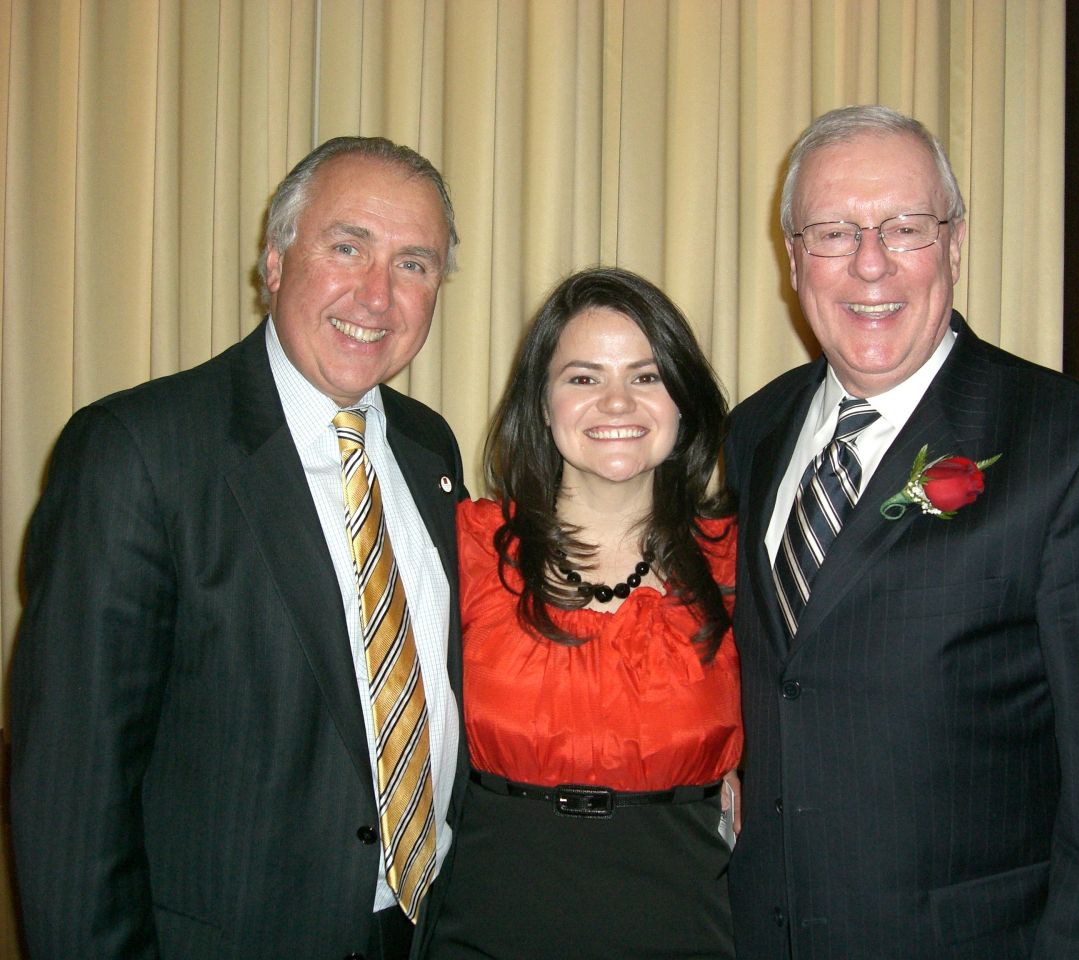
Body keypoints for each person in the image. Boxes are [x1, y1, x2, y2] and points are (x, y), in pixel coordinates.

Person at [724, 105, 1079, 959]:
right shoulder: (754, 431)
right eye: (833, 232)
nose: (870, 264)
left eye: (904, 227)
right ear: (793, 256)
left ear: (954, 243)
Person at [10, 136, 468, 959]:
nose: (377, 294)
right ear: (275, 261)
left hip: (417, 933)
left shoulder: (431, 452)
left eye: (415, 263)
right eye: (347, 246)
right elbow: (71, 793)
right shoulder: (139, 452)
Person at [429, 267, 741, 960]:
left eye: (647, 376)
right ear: (541, 403)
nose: (616, 402)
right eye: (582, 377)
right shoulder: (464, 549)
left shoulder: (741, 563)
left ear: (682, 400)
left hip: (687, 921)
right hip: (488, 919)